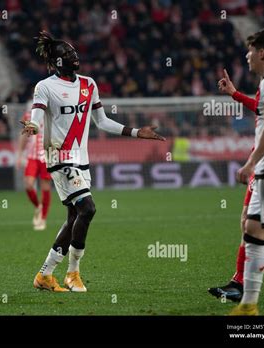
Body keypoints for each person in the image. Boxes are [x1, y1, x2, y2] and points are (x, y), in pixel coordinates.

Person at [21, 31, 165, 292]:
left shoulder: (89, 84)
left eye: (74, 51)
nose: (74, 56)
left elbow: (102, 122)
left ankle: (45, 274)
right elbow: (38, 114)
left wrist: (135, 133)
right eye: (67, 54)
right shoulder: (45, 86)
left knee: (74, 215)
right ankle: (73, 273)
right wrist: (32, 125)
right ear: (57, 61)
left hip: (81, 159)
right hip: (59, 156)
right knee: (88, 208)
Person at [209, 43, 264, 301]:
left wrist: (251, 163)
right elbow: (262, 109)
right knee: (261, 223)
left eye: (254, 53)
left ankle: (240, 285)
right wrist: (236, 94)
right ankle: (239, 284)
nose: (251, 58)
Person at [16, 100, 52, 230]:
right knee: (28, 184)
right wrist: (19, 155)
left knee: (45, 187)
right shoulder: (27, 116)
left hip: (46, 156)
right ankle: (38, 206)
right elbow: (24, 136)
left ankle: (42, 218)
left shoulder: (50, 114)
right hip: (31, 156)